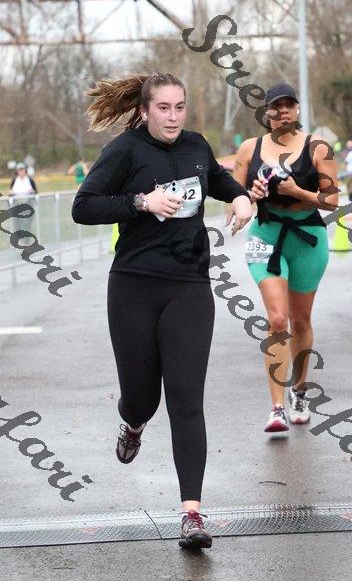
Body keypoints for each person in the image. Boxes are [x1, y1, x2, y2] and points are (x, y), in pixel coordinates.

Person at [72, 72, 252, 549]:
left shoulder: (196, 146)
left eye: (180, 107)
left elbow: (218, 179)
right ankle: (132, 424)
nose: (173, 117)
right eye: (163, 108)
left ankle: (191, 513)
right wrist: (140, 201)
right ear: (145, 110)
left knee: (186, 399)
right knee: (142, 398)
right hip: (133, 286)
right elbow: (83, 207)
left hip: (189, 286)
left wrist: (240, 197)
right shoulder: (125, 151)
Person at [232, 83, 338, 433]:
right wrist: (250, 195)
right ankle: (276, 408)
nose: (282, 111)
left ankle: (300, 391)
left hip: (307, 237)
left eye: (288, 105)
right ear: (266, 113)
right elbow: (233, 196)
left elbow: (332, 201)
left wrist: (297, 191)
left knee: (300, 321)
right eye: (275, 107)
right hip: (264, 235)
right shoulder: (249, 148)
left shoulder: (318, 147)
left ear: (297, 110)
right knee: (278, 319)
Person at [9, 162, 38, 237]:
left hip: (28, 204)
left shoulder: (30, 180)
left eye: (22, 170)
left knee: (27, 223)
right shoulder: (15, 180)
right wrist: (11, 193)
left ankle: (26, 239)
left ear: (25, 170)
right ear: (17, 171)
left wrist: (32, 191)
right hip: (17, 205)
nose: (21, 172)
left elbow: (35, 192)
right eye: (19, 170)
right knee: (17, 223)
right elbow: (10, 192)